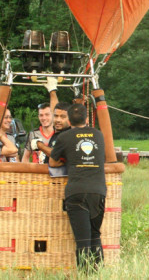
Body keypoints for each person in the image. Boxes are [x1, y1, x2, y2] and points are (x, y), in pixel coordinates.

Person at [49, 104, 106, 271]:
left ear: (69, 120)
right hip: (98, 191)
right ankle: (99, 273)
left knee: (82, 241)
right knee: (95, 236)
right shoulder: (99, 135)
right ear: (87, 120)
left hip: (76, 192)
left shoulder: (64, 137)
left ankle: (84, 274)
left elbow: (53, 162)